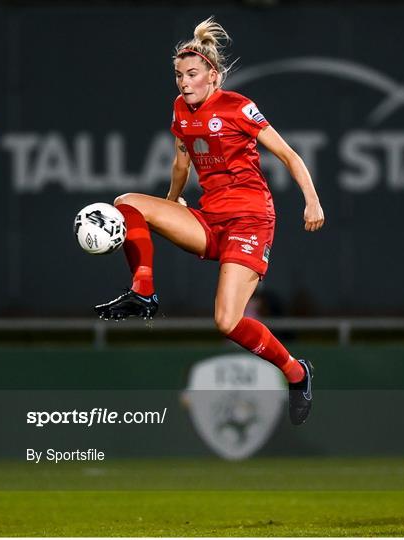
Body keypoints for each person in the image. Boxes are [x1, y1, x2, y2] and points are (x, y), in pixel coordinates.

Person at [95, 17, 325, 425]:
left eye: (193, 74)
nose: (184, 82)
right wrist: (169, 207)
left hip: (250, 220)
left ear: (213, 77)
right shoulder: (181, 110)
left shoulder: (238, 107)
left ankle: (296, 371)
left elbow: (289, 155)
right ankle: (143, 291)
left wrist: (311, 200)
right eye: (179, 75)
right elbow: (181, 162)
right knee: (126, 202)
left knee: (226, 321)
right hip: (210, 217)